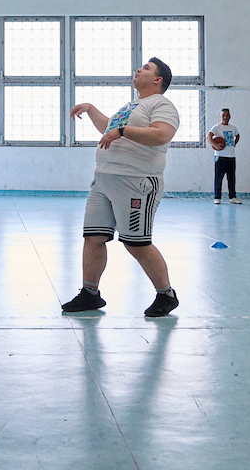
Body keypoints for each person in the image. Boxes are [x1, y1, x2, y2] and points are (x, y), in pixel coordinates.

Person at [62, 58, 181, 317]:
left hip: (136, 182)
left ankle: (166, 294)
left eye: (147, 69)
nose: (139, 70)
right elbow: (110, 129)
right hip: (103, 180)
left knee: (136, 243)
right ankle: (90, 293)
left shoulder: (162, 104)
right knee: (93, 237)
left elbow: (161, 134)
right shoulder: (131, 105)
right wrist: (91, 109)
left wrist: (123, 131)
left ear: (158, 80)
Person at [208, 108, 241, 204]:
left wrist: (234, 143)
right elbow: (208, 137)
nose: (225, 117)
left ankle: (232, 197)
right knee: (219, 177)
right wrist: (215, 145)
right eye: (223, 115)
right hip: (220, 156)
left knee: (231, 178)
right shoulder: (217, 127)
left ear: (230, 116)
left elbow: (238, 136)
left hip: (231, 156)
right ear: (221, 116)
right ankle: (217, 197)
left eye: (227, 115)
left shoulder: (233, 128)